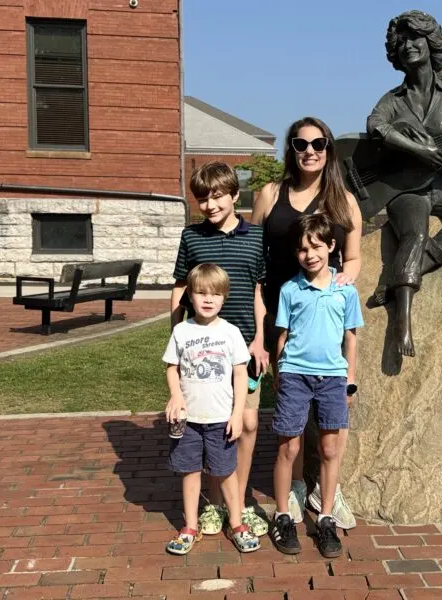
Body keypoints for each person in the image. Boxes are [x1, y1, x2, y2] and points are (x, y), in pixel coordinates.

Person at [251, 116, 363, 529]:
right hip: (280, 315)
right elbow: (253, 254)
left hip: (323, 319)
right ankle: (296, 485)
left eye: (319, 143)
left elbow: (352, 257)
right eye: (301, 144)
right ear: (291, 150)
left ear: (329, 149)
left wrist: (344, 279)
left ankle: (327, 489)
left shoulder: (344, 201)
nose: (310, 150)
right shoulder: (268, 194)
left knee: (332, 405)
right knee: (289, 405)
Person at [366, 10, 442, 357]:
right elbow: (376, 126)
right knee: (415, 232)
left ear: (430, 43)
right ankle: (402, 325)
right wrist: (419, 150)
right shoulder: (393, 100)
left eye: (415, 38)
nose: (408, 46)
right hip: (406, 189)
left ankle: (400, 277)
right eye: (401, 41)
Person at [170, 162, 271, 538]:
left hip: (244, 347)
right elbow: (180, 289)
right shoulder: (191, 237)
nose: (209, 205)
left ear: (233, 195)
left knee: (246, 422)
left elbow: (260, 292)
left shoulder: (256, 237)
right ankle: (213, 504)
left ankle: (238, 500)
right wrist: (177, 340)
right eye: (202, 199)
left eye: (216, 196)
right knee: (210, 425)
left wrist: (260, 339)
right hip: (201, 351)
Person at [269, 214, 363, 558]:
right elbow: (282, 335)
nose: (310, 254)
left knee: (328, 449)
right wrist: (280, 371)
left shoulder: (344, 291)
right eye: (303, 249)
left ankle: (325, 518)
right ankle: (282, 516)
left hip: (333, 379)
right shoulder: (290, 290)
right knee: (288, 448)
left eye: (316, 247)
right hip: (294, 374)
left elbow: (350, 338)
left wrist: (349, 380)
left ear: (331, 247)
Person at [163, 264, 261, 555]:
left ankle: (236, 522)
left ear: (224, 297)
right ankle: (190, 526)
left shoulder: (230, 333)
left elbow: (241, 374)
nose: (208, 299)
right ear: (190, 296)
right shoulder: (181, 331)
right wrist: (176, 397)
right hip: (189, 420)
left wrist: (237, 413)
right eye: (201, 293)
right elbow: (172, 368)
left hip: (221, 419)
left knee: (226, 471)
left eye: (215, 294)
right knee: (190, 471)